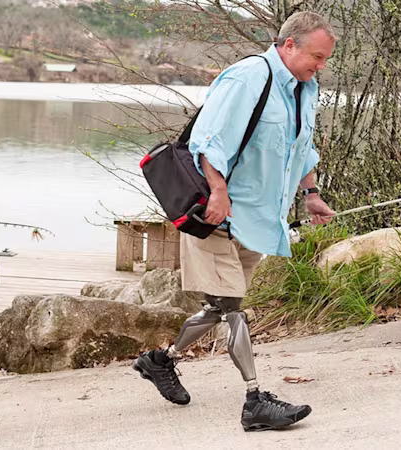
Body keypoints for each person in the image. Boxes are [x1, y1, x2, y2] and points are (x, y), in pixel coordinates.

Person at [132, 12, 336, 431]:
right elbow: (209, 141)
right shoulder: (248, 78)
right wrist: (219, 193)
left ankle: (159, 362)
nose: (321, 66)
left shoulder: (304, 89)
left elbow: (302, 148)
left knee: (218, 306)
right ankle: (255, 400)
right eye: (316, 56)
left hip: (258, 218)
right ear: (289, 44)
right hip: (217, 214)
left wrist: (310, 194)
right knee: (232, 308)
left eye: (325, 59)